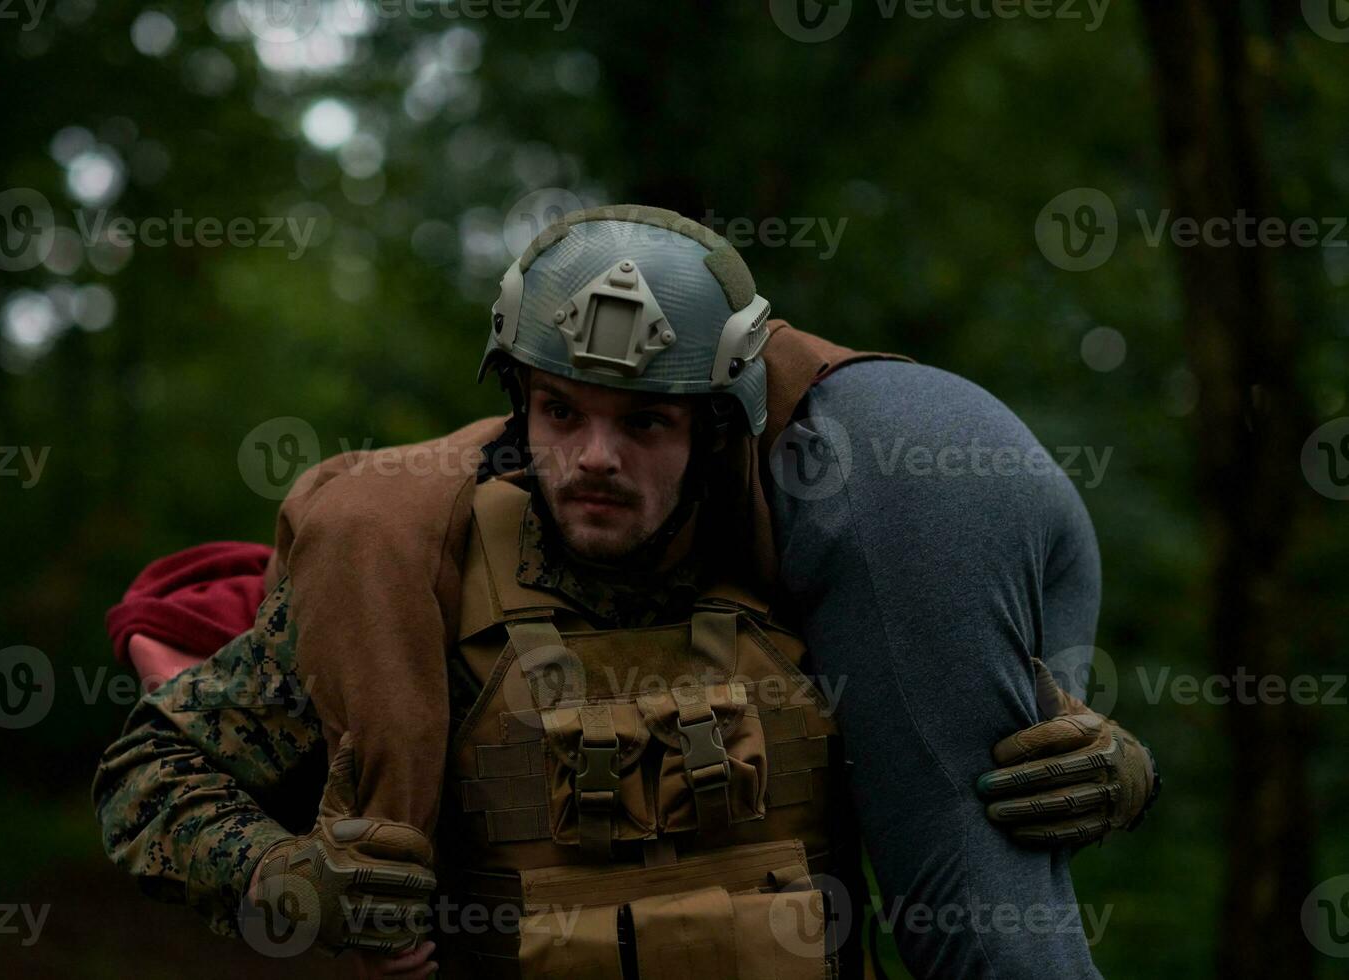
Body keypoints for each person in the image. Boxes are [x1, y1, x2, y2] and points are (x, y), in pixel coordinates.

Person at [94, 206, 1159, 978]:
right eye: (562, 412)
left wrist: (1109, 769)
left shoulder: (812, 568)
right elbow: (148, 772)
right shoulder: (423, 576)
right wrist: (284, 876)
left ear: (715, 425)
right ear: (520, 404)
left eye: (644, 421)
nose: (595, 457)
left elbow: (977, 761)